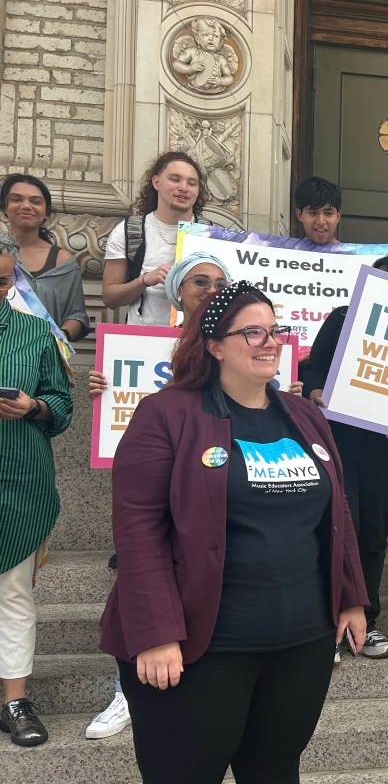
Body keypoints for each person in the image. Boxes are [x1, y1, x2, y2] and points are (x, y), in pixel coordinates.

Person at [99, 281, 368, 784]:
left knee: (273, 777)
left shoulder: (302, 415)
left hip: (299, 643)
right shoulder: (165, 414)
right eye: (252, 332)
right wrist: (154, 633)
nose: (269, 342)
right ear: (215, 345)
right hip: (199, 648)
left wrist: (350, 596)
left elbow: (337, 509)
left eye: (275, 330)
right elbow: (138, 532)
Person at [84, 252, 234, 740]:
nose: (210, 289)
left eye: (219, 282)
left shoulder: (243, 349)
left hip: (217, 488)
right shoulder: (144, 344)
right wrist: (102, 388)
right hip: (161, 479)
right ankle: (125, 691)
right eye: (199, 281)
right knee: (148, 564)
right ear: (176, 291)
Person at [303, 252, 388, 662]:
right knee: (340, 529)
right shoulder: (343, 318)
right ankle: (328, 624)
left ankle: (367, 623)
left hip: (385, 452)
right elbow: (313, 370)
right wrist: (314, 392)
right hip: (338, 444)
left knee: (373, 535)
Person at [0, 240, 73, 747]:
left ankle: (15, 700)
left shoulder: (32, 332)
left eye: (3, 281)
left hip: (19, 482)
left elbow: (61, 405)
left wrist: (32, 407)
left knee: (13, 593)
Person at [102, 151, 207, 326]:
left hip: (195, 340)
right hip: (142, 341)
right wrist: (143, 281)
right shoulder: (127, 232)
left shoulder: (210, 235)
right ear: (156, 182)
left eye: (192, 183)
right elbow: (110, 299)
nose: (184, 187)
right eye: (175, 179)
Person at [1, 173, 90, 342]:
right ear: (4, 207)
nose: (26, 206)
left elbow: (77, 315)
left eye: (35, 201)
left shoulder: (62, 260)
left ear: (46, 212)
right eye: (16, 199)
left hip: (46, 356)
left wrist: (60, 336)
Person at [294, 176, 342, 246]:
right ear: (299, 215)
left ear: (338, 216)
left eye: (328, 213)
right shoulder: (285, 255)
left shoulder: (351, 256)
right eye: (313, 213)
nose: (321, 222)